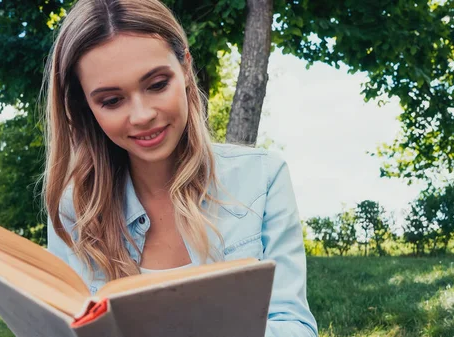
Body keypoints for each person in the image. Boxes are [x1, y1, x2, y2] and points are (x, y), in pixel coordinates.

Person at [43, 0, 318, 336]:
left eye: (157, 84)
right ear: (85, 106)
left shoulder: (262, 178)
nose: (142, 115)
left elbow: (295, 327)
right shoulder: (75, 208)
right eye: (112, 101)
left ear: (185, 68)